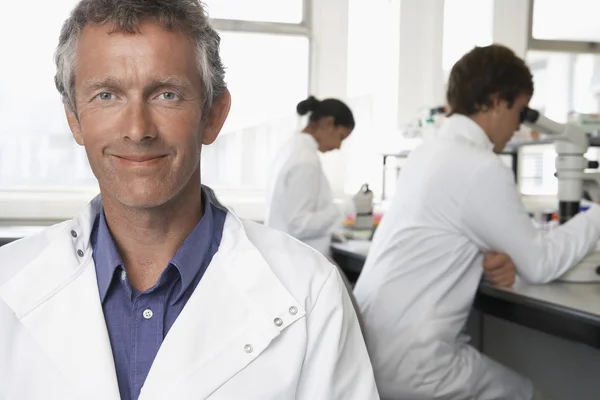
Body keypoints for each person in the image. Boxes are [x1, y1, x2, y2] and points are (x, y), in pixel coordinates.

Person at [0, 1, 379, 399]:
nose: (137, 129)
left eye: (166, 94)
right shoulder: (8, 281)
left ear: (213, 115)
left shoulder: (311, 291)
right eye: (107, 95)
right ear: (74, 119)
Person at [354, 44, 600, 400]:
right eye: (519, 111)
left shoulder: (430, 153)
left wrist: (488, 258)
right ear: (498, 101)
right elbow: (541, 264)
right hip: (416, 363)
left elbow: (446, 234)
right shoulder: (479, 166)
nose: (518, 126)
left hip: (370, 349)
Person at [265, 96, 354, 258]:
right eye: (340, 137)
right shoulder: (306, 160)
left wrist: (327, 232)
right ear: (328, 123)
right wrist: (347, 207)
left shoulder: (291, 148)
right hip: (296, 261)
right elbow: (300, 225)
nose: (338, 146)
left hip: (284, 254)